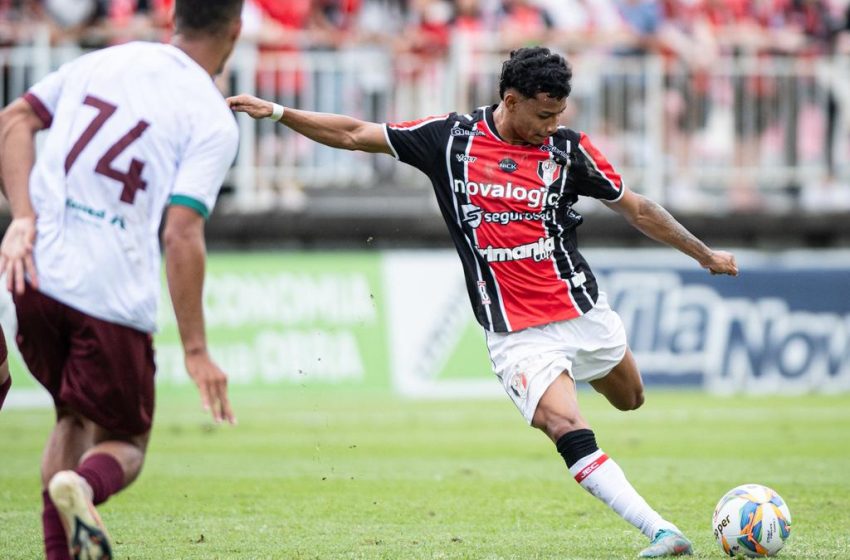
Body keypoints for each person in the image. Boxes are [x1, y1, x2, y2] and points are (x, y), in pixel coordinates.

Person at [228, 46, 738, 557]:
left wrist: (704, 253)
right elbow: (355, 134)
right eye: (543, 115)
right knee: (564, 424)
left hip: (582, 309)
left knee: (631, 398)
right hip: (516, 331)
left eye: (559, 114)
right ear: (510, 100)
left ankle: (600, 384)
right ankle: (662, 532)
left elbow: (638, 209)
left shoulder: (568, 150)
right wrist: (277, 112)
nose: (551, 125)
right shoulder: (450, 140)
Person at [0, 1, 243, 558]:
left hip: (33, 274)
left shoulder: (106, 60)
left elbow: (14, 119)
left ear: (173, 20)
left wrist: (23, 217)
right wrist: (197, 348)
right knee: (125, 442)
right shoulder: (210, 117)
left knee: (71, 413)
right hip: (108, 296)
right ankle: (81, 486)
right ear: (236, 30)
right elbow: (181, 235)